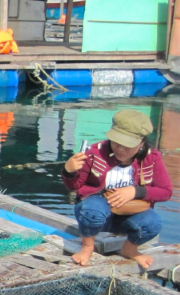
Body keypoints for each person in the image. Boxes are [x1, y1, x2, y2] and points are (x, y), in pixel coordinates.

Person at [62, 110, 172, 267]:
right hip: (96, 212)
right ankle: (87, 246)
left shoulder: (151, 157)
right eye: (116, 142)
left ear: (141, 143)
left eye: (127, 145)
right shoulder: (95, 152)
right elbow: (75, 187)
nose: (120, 149)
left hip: (127, 216)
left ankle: (130, 249)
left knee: (153, 222)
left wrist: (136, 191)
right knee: (93, 209)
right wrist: (69, 171)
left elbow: (165, 192)